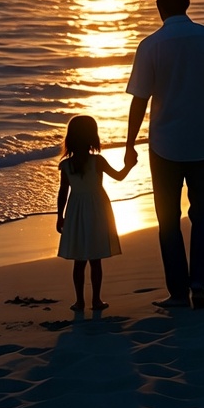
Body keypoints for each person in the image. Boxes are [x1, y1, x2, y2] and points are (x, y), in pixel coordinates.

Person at [124, 0, 204, 310]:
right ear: (187, 3)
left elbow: (139, 100)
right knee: (203, 216)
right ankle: (199, 285)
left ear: (159, 5)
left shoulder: (151, 45)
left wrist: (129, 143)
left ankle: (177, 292)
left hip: (165, 146)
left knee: (168, 220)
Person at [56, 114, 137, 312]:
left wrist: (60, 216)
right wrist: (129, 165)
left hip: (75, 210)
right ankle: (96, 300)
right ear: (93, 137)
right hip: (97, 209)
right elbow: (118, 177)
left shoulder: (66, 165)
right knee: (95, 259)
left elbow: (62, 193)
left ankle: (79, 301)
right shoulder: (98, 161)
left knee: (79, 260)